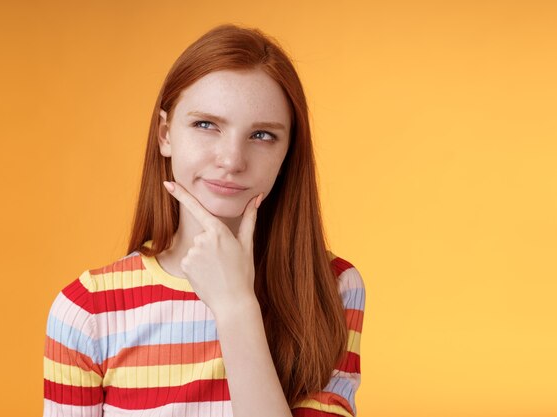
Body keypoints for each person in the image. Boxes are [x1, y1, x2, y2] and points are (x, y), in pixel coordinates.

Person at [43, 23, 366, 417]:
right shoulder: (87, 310)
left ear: (287, 153)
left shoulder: (331, 288)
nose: (232, 160)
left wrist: (236, 308)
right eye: (206, 125)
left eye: (262, 135)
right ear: (165, 133)